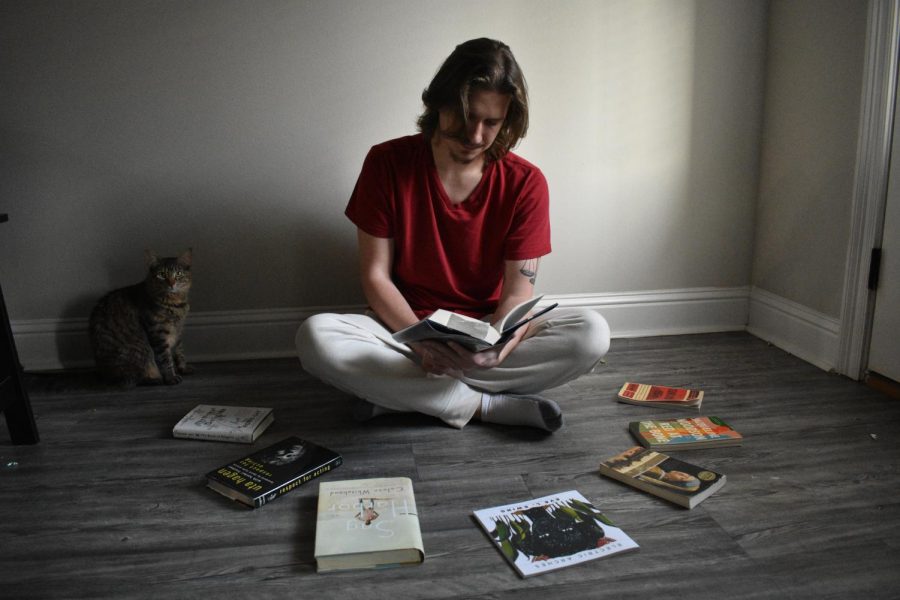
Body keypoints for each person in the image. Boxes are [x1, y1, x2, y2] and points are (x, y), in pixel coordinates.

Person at [296, 38, 609, 432]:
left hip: (486, 333)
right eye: (465, 117)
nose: (475, 135)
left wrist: (498, 350)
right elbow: (375, 276)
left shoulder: (527, 183)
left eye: (491, 122)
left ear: (507, 120)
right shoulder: (386, 163)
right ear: (438, 104)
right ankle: (484, 406)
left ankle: (400, 398)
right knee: (316, 337)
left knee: (592, 334)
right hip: (405, 332)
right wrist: (420, 343)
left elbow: (518, 293)